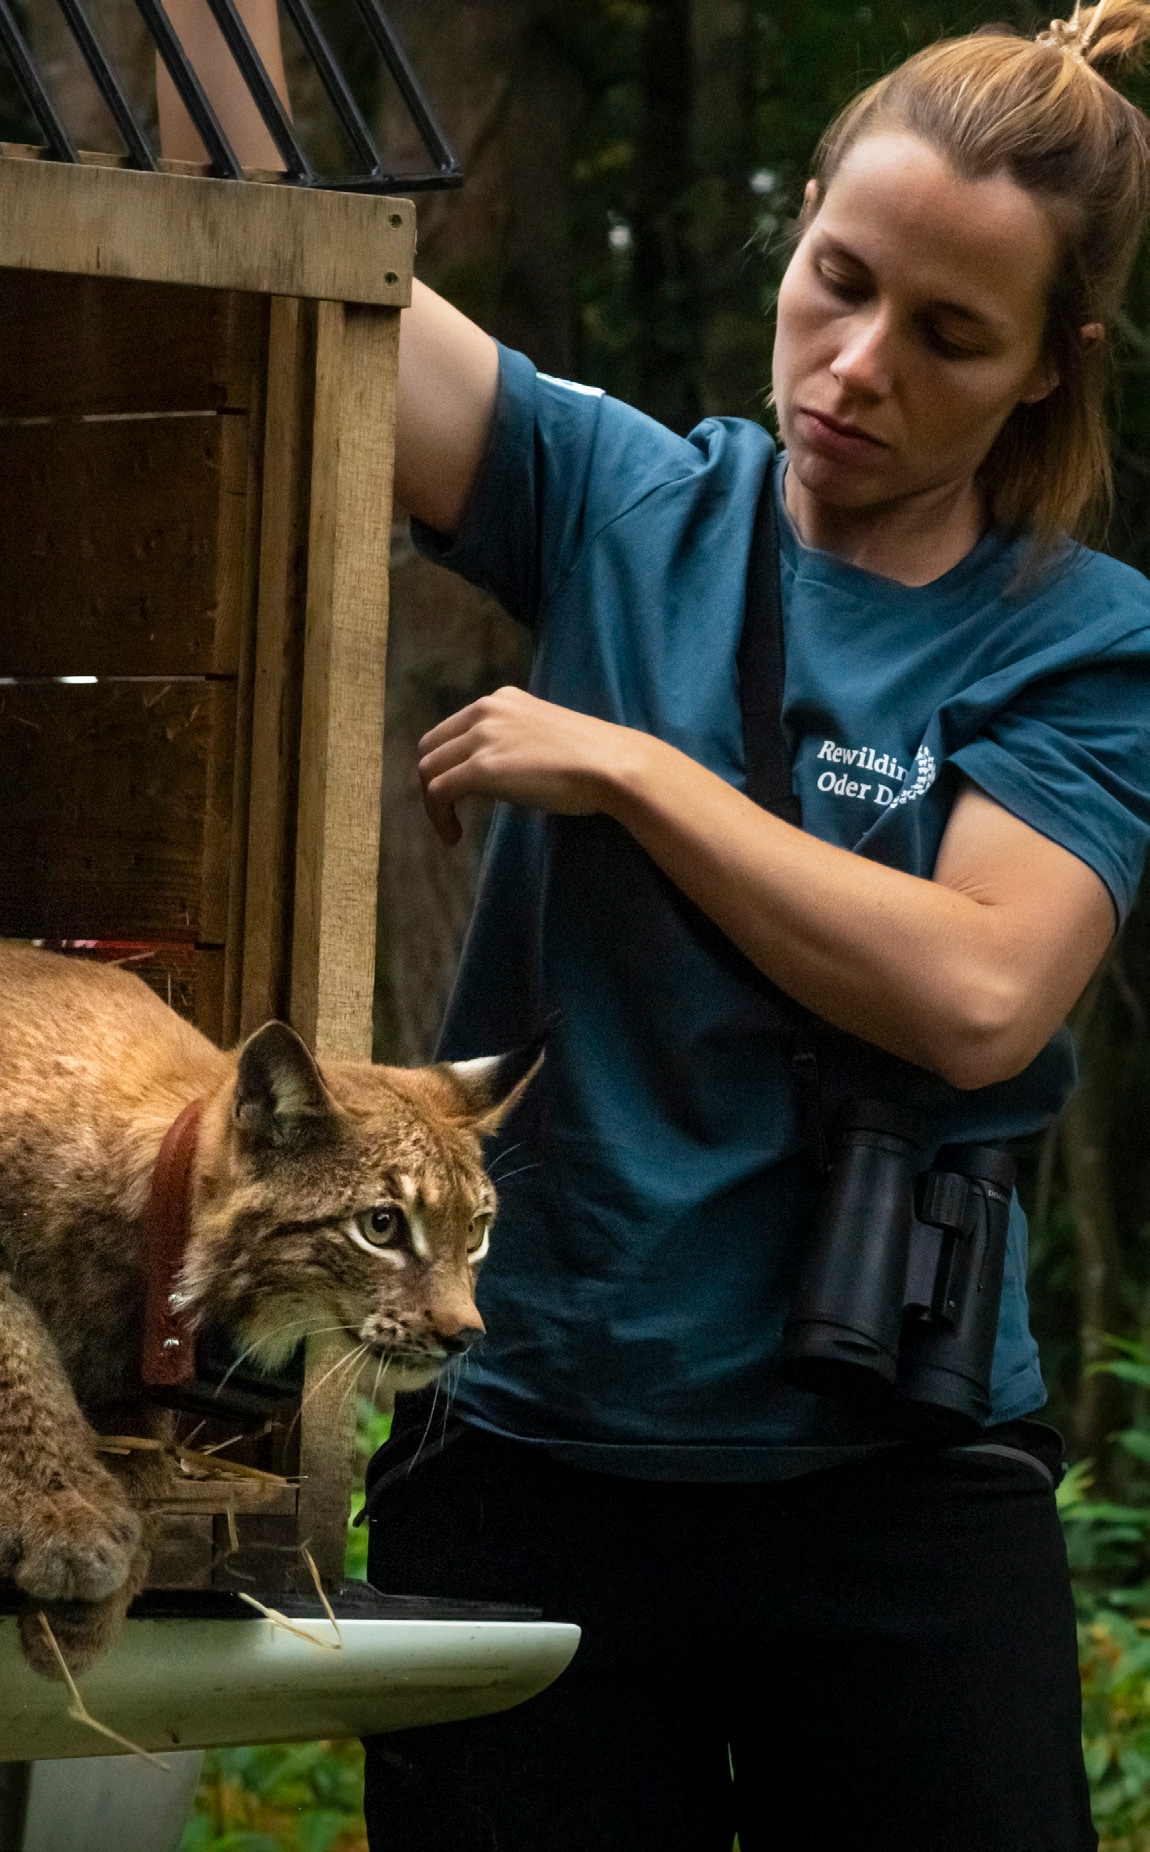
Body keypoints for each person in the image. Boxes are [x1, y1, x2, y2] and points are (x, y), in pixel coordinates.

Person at [162, 4, 1150, 1846]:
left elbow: (977, 994)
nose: (857, 365)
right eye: (835, 280)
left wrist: (631, 768)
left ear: (1046, 367)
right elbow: (293, 224)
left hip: (894, 1493)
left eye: (947, 335)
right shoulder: (625, 502)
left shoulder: (1075, 635)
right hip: (522, 1462)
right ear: (795, 234)